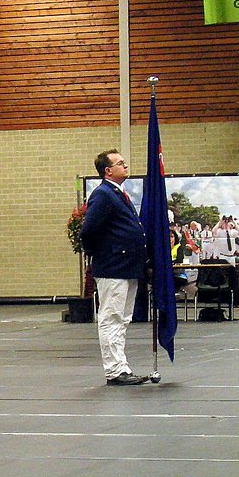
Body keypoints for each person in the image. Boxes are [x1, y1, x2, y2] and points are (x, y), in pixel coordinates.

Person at [81, 150, 147, 386]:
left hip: (127, 266)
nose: (125, 165)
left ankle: (121, 366)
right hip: (113, 266)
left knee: (123, 318)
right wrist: (102, 254)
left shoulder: (118, 194)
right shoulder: (103, 195)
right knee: (111, 318)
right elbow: (88, 230)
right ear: (108, 171)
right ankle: (114, 369)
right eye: (120, 163)